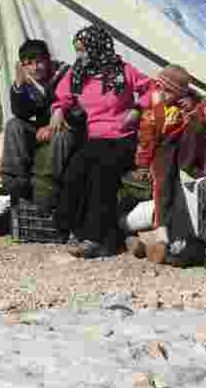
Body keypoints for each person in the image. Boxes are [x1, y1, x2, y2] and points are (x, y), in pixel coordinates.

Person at [52, 25, 152, 259]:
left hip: (123, 138)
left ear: (97, 47)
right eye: (76, 50)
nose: (80, 55)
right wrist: (58, 110)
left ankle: (96, 239)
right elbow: (62, 96)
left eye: (83, 49)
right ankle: (72, 230)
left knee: (102, 173)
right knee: (75, 170)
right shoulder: (78, 73)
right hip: (95, 138)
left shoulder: (123, 71)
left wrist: (137, 108)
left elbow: (153, 88)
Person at [129, 66, 206, 270]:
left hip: (193, 163)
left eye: (169, 91)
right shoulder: (154, 110)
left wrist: (194, 108)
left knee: (199, 204)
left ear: (180, 93)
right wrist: (142, 164)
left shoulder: (192, 105)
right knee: (165, 198)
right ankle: (175, 243)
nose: (163, 94)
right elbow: (146, 138)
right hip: (165, 161)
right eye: (160, 88)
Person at [0, 39, 72, 204]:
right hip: (41, 127)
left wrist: (50, 127)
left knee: (61, 136)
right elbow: (21, 113)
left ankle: (46, 186)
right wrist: (18, 86)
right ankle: (15, 179)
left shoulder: (64, 74)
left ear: (48, 59)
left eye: (39, 62)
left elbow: (75, 105)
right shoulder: (27, 80)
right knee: (13, 125)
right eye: (28, 63)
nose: (35, 67)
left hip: (64, 125)